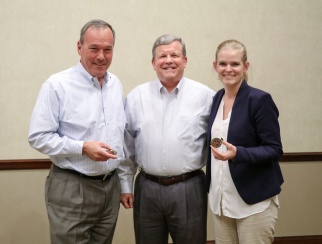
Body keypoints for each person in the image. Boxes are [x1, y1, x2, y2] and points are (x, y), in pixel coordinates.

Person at [28, 19, 125, 244]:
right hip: (73, 187)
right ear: (79, 47)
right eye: (94, 48)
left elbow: (121, 134)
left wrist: (124, 182)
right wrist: (82, 147)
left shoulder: (115, 84)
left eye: (107, 49)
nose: (101, 56)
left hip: (110, 187)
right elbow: (38, 137)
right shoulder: (57, 85)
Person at [118, 34, 215, 244]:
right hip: (147, 187)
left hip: (189, 187)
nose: (168, 60)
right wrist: (125, 185)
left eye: (175, 55)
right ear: (153, 63)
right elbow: (127, 145)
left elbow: (218, 138)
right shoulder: (136, 97)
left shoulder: (206, 97)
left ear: (185, 61)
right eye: (162, 56)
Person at [206, 39, 284, 244]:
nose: (228, 69)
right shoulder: (216, 99)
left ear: (245, 67)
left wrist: (239, 153)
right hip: (221, 202)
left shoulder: (259, 100)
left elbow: (274, 149)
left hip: (253, 202)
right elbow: (217, 138)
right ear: (215, 66)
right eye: (223, 64)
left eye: (235, 64)